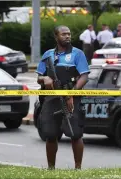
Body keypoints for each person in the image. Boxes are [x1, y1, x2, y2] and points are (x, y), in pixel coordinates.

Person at [36, 25, 90, 170]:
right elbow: (39, 77)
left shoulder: (77, 54)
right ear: (56, 36)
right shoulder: (48, 55)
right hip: (52, 99)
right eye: (64, 34)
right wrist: (45, 78)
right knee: (50, 134)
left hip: (71, 96)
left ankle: (78, 168)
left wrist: (72, 93)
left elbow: (84, 76)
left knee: (75, 133)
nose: (67, 36)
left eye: (69, 34)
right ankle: (51, 169)